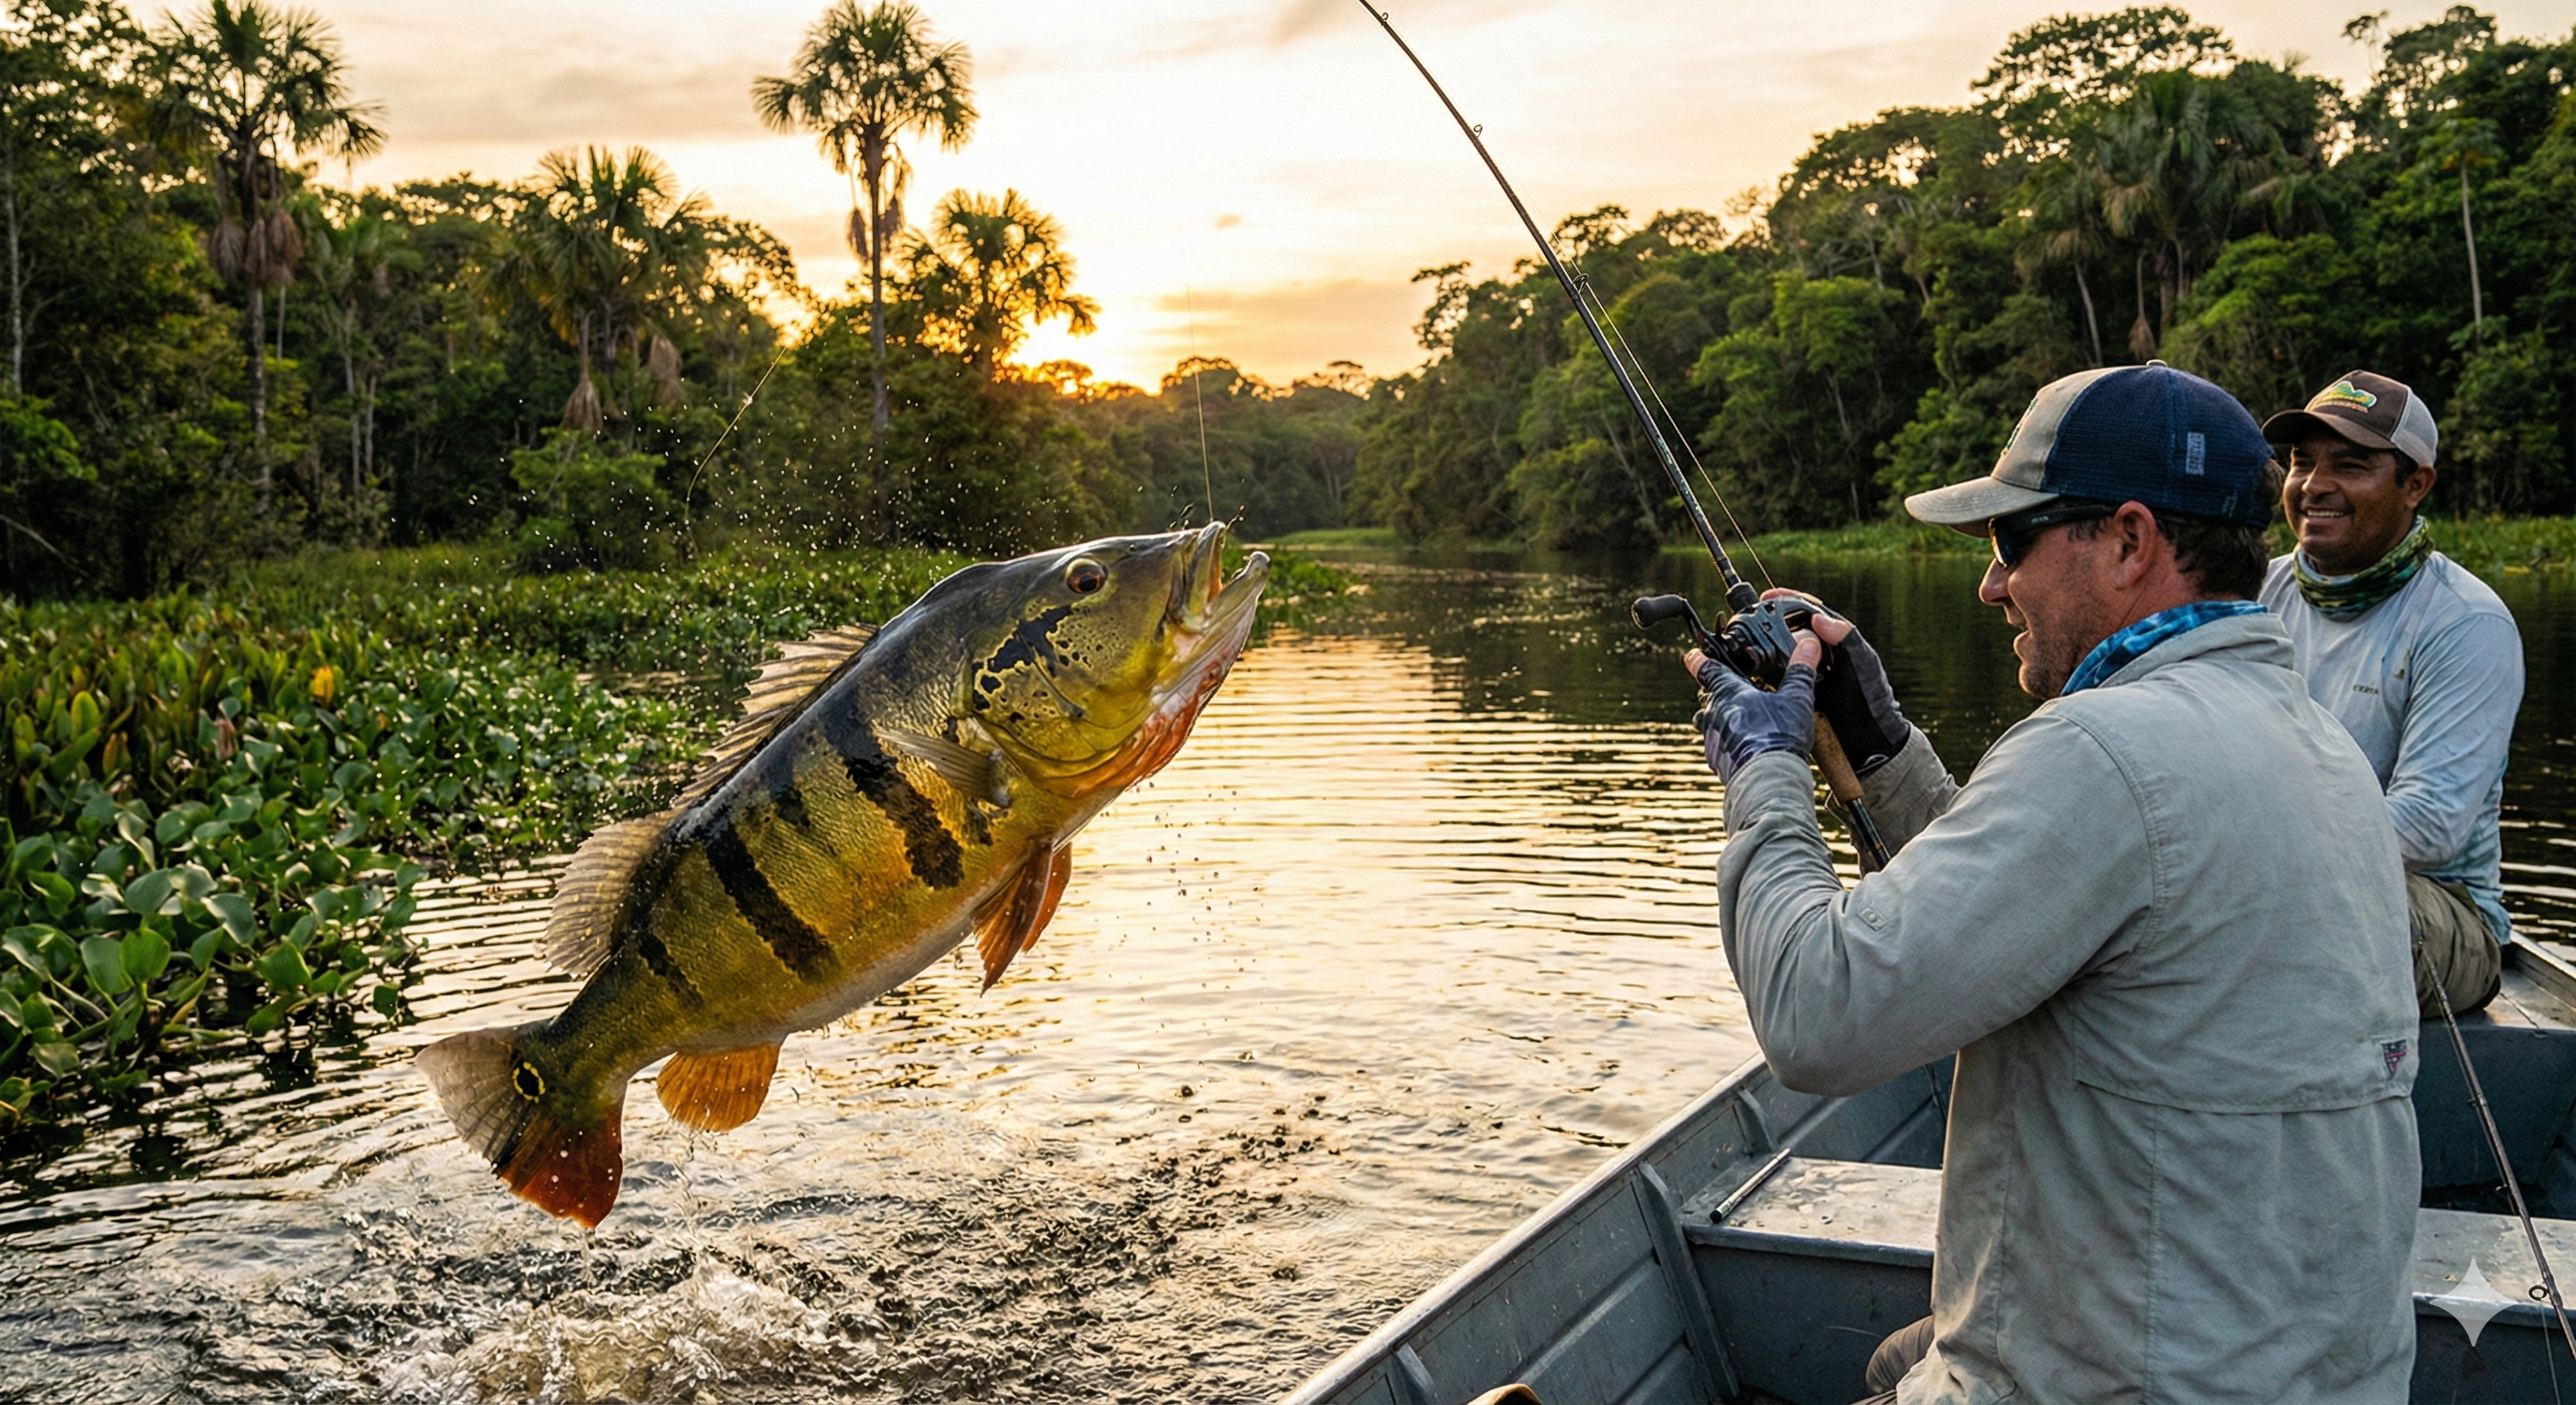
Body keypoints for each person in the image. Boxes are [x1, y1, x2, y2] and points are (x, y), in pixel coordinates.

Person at [1689, 363, 2420, 1404]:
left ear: (2127, 542)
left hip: (2135, 1382)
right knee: (1900, 1357)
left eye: (2008, 542)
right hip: (2293, 1366)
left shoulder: (2098, 747)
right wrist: (1879, 747)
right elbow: (2014, 922)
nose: (1991, 585)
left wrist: (1761, 763)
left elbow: (1817, 1013)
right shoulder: (2313, 743)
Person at [2259, 370, 2523, 1019]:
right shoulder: (2256, 597)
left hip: (2439, 909)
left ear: (2416, 485)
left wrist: (2250, 855)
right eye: (2301, 463)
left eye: (2349, 465)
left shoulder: (2465, 622)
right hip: (2272, 877)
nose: (2316, 486)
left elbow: (2429, 826)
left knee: (2299, 914)